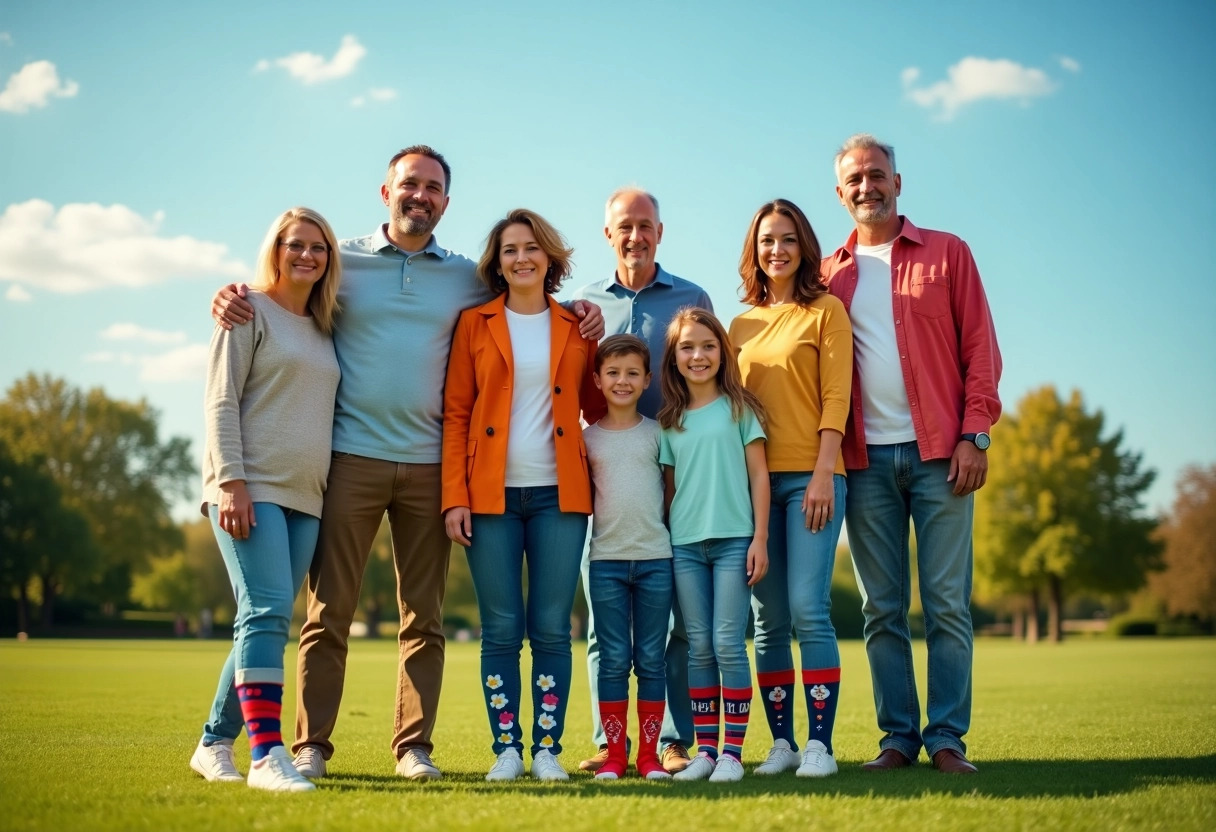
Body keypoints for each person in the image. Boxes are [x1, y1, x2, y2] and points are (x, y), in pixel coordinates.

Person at [210, 147, 603, 781]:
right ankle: (311, 745)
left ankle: (413, 746)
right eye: (410, 184)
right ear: (385, 190)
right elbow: (284, 286)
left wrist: (585, 311)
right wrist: (234, 293)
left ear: (447, 202)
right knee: (326, 612)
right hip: (348, 459)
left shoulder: (469, 276)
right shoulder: (344, 261)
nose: (420, 195)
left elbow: (526, 295)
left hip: (432, 468)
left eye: (433, 188)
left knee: (424, 617)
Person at [823, 134, 1002, 775]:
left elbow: (980, 349)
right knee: (882, 608)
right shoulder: (827, 274)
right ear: (839, 193)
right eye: (854, 180)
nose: (866, 187)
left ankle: (947, 739)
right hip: (863, 462)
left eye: (877, 175)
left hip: (941, 457)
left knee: (947, 602)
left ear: (899, 182)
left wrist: (974, 434)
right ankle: (897, 739)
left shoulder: (948, 254)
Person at [441, 208, 605, 782]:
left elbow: (598, 405)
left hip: (561, 496)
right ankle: (507, 748)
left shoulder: (576, 326)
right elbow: (457, 413)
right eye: (510, 249)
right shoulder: (474, 324)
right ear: (498, 262)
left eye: (532, 247)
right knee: (502, 627)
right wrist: (453, 497)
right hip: (489, 500)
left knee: (553, 627)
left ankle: (547, 750)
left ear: (550, 257)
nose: (522, 258)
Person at [191, 207, 342, 792]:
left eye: (319, 247)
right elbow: (220, 401)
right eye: (295, 245)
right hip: (248, 487)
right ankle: (266, 754)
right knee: (267, 610)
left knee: (267, 617)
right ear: (275, 251)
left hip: (307, 494)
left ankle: (212, 743)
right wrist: (230, 480)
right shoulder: (245, 310)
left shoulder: (328, 323)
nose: (307, 256)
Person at [573, 188, 712, 774]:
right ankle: (611, 743)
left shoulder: (691, 296)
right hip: (604, 477)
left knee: (673, 624)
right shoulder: (580, 304)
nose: (636, 235)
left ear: (661, 231)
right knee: (605, 634)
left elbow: (709, 369)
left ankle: (672, 740)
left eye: (646, 225)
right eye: (624, 226)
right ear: (608, 234)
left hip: (674, 472)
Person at [729, 199, 853, 777]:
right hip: (754, 484)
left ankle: (820, 746)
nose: (775, 250)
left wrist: (826, 471)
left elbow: (836, 396)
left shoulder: (825, 311)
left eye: (785, 239)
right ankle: (782, 743)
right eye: (765, 241)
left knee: (809, 608)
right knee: (767, 620)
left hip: (813, 477)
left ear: (803, 245)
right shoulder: (740, 325)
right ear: (754, 252)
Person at [658, 307, 769, 783]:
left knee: (727, 643)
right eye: (687, 347)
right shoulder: (669, 421)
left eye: (707, 346)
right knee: (698, 646)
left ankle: (732, 754)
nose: (698, 355)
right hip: (683, 547)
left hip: (733, 543)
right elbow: (667, 492)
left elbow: (760, 475)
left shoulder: (741, 409)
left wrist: (760, 538)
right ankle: (705, 750)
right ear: (674, 357)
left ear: (722, 352)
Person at [583, 334, 674, 781]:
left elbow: (672, 496)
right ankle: (615, 753)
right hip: (605, 564)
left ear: (647, 380)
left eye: (632, 373)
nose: (622, 381)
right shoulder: (587, 440)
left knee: (651, 659)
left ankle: (650, 756)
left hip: (657, 560)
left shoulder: (659, 435)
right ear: (597, 379)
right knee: (615, 659)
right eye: (613, 373)